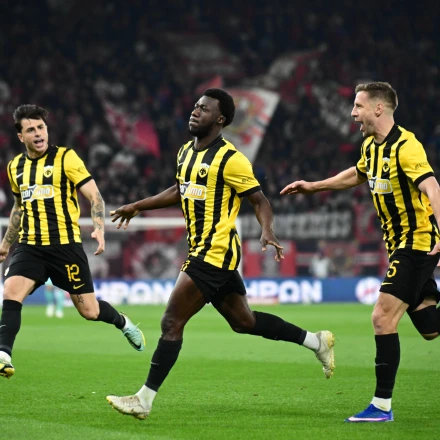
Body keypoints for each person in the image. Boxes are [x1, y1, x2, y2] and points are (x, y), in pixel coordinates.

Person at [105, 88, 335, 420]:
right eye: (195, 106)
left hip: (214, 252)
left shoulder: (231, 159)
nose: (195, 111)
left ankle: (144, 400)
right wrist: (138, 205)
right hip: (207, 252)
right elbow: (180, 189)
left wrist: (267, 229)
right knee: (244, 322)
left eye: (204, 109)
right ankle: (317, 342)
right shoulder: (186, 151)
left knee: (171, 322)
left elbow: (259, 200)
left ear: (221, 119)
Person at [281, 82, 440, 423]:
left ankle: (381, 407)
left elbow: (432, 187)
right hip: (400, 245)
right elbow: (357, 174)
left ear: (378, 108)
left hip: (416, 243)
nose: (353, 113)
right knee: (429, 326)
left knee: (382, 318)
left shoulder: (407, 147)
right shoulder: (370, 146)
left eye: (358, 106)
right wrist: (314, 186)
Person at [0, 104, 145, 380]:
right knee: (11, 291)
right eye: (30, 130)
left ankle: (122, 321)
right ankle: (4, 354)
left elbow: (95, 196)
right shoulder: (15, 167)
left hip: (65, 247)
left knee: (89, 311)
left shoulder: (66, 158)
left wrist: (99, 229)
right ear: (21, 136)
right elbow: (19, 207)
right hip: (30, 246)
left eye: (41, 127)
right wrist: (7, 244)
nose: (38, 133)